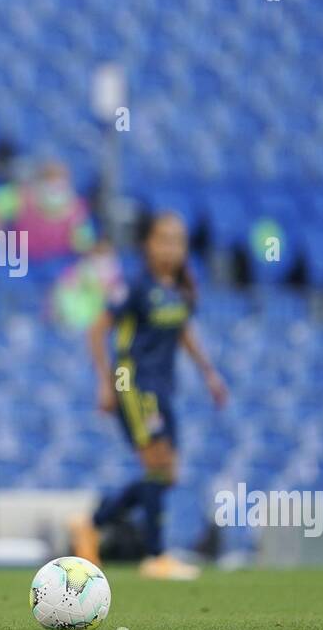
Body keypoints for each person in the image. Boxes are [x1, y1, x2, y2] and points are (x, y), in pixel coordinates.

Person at [72, 211, 228, 580]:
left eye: (178, 240)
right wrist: (104, 382)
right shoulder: (135, 287)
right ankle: (155, 556)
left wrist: (208, 373)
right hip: (134, 382)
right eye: (164, 239)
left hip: (162, 387)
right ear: (148, 244)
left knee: (166, 473)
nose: (171, 248)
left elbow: (183, 330)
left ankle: (91, 522)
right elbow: (97, 329)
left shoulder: (181, 290)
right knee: (158, 465)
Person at [0, 159, 95, 263]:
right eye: (49, 180)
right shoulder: (21, 196)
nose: (54, 188)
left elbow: (84, 245)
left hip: (53, 263)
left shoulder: (77, 211)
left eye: (59, 182)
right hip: (18, 257)